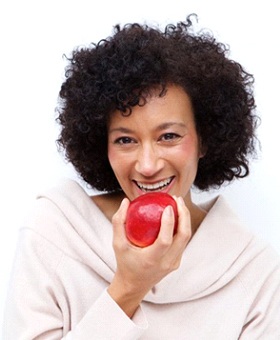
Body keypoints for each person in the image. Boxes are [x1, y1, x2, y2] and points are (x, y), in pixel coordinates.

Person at [3, 14, 280, 339]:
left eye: (169, 136)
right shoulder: (54, 232)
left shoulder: (255, 271)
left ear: (204, 139)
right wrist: (128, 289)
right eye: (125, 140)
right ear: (101, 145)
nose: (147, 165)